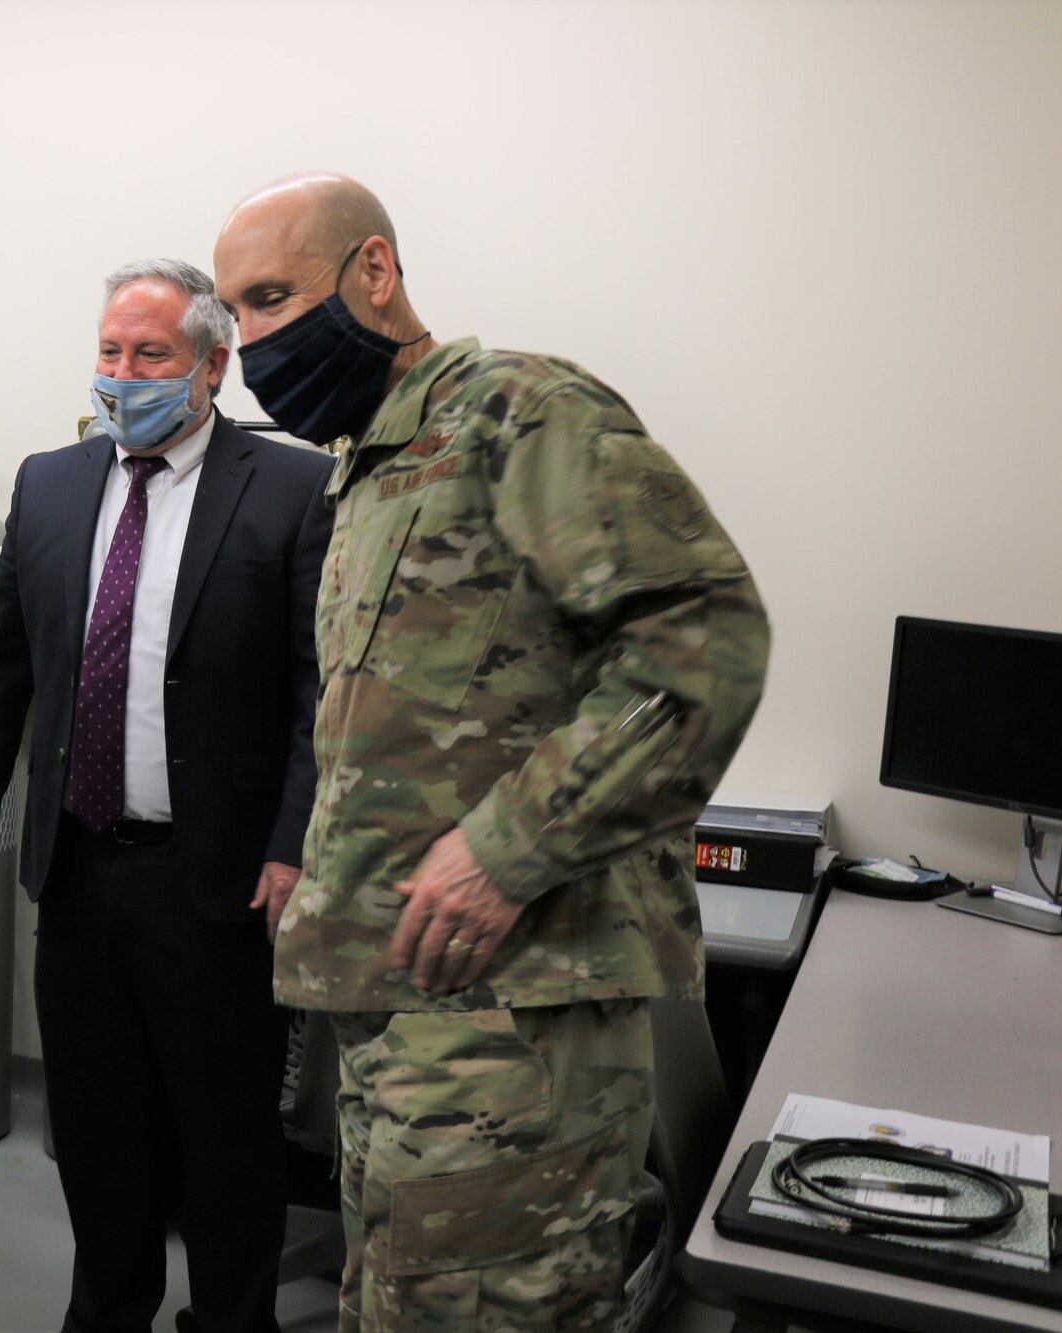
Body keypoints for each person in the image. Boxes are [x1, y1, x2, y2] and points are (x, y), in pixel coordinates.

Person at [212, 175, 771, 1331]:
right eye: (237, 315)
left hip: (513, 1022)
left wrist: (507, 851)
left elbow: (699, 640)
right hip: (396, 1012)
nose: (255, 340)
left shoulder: (512, 409)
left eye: (273, 297)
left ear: (373, 271)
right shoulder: (366, 469)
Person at [0, 257, 333, 1333]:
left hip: (213, 878)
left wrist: (293, 841)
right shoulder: (52, 482)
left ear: (211, 365)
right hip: (76, 869)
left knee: (224, 1136)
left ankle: (231, 1319)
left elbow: (318, 690)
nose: (122, 374)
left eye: (148, 354)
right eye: (109, 352)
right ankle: (106, 1311)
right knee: (97, 1130)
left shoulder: (294, 488)